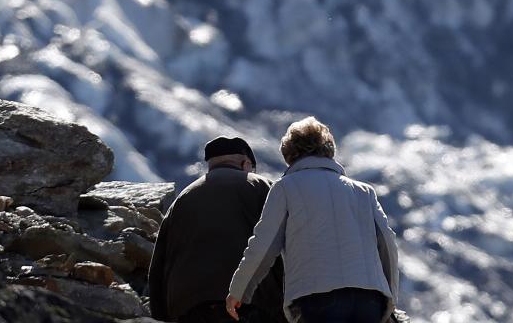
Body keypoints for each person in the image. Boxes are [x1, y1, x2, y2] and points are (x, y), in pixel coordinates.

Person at [226, 117, 401, 323]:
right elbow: (388, 245)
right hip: (369, 300)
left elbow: (263, 245)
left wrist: (239, 291)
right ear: (329, 150)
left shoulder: (285, 188)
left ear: (289, 154)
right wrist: (390, 298)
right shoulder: (364, 192)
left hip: (318, 299)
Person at [149, 136, 286, 323]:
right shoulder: (263, 187)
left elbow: (158, 265)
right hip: (252, 304)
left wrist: (160, 315)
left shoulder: (183, 198)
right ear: (245, 163)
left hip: (189, 307)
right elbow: (285, 245)